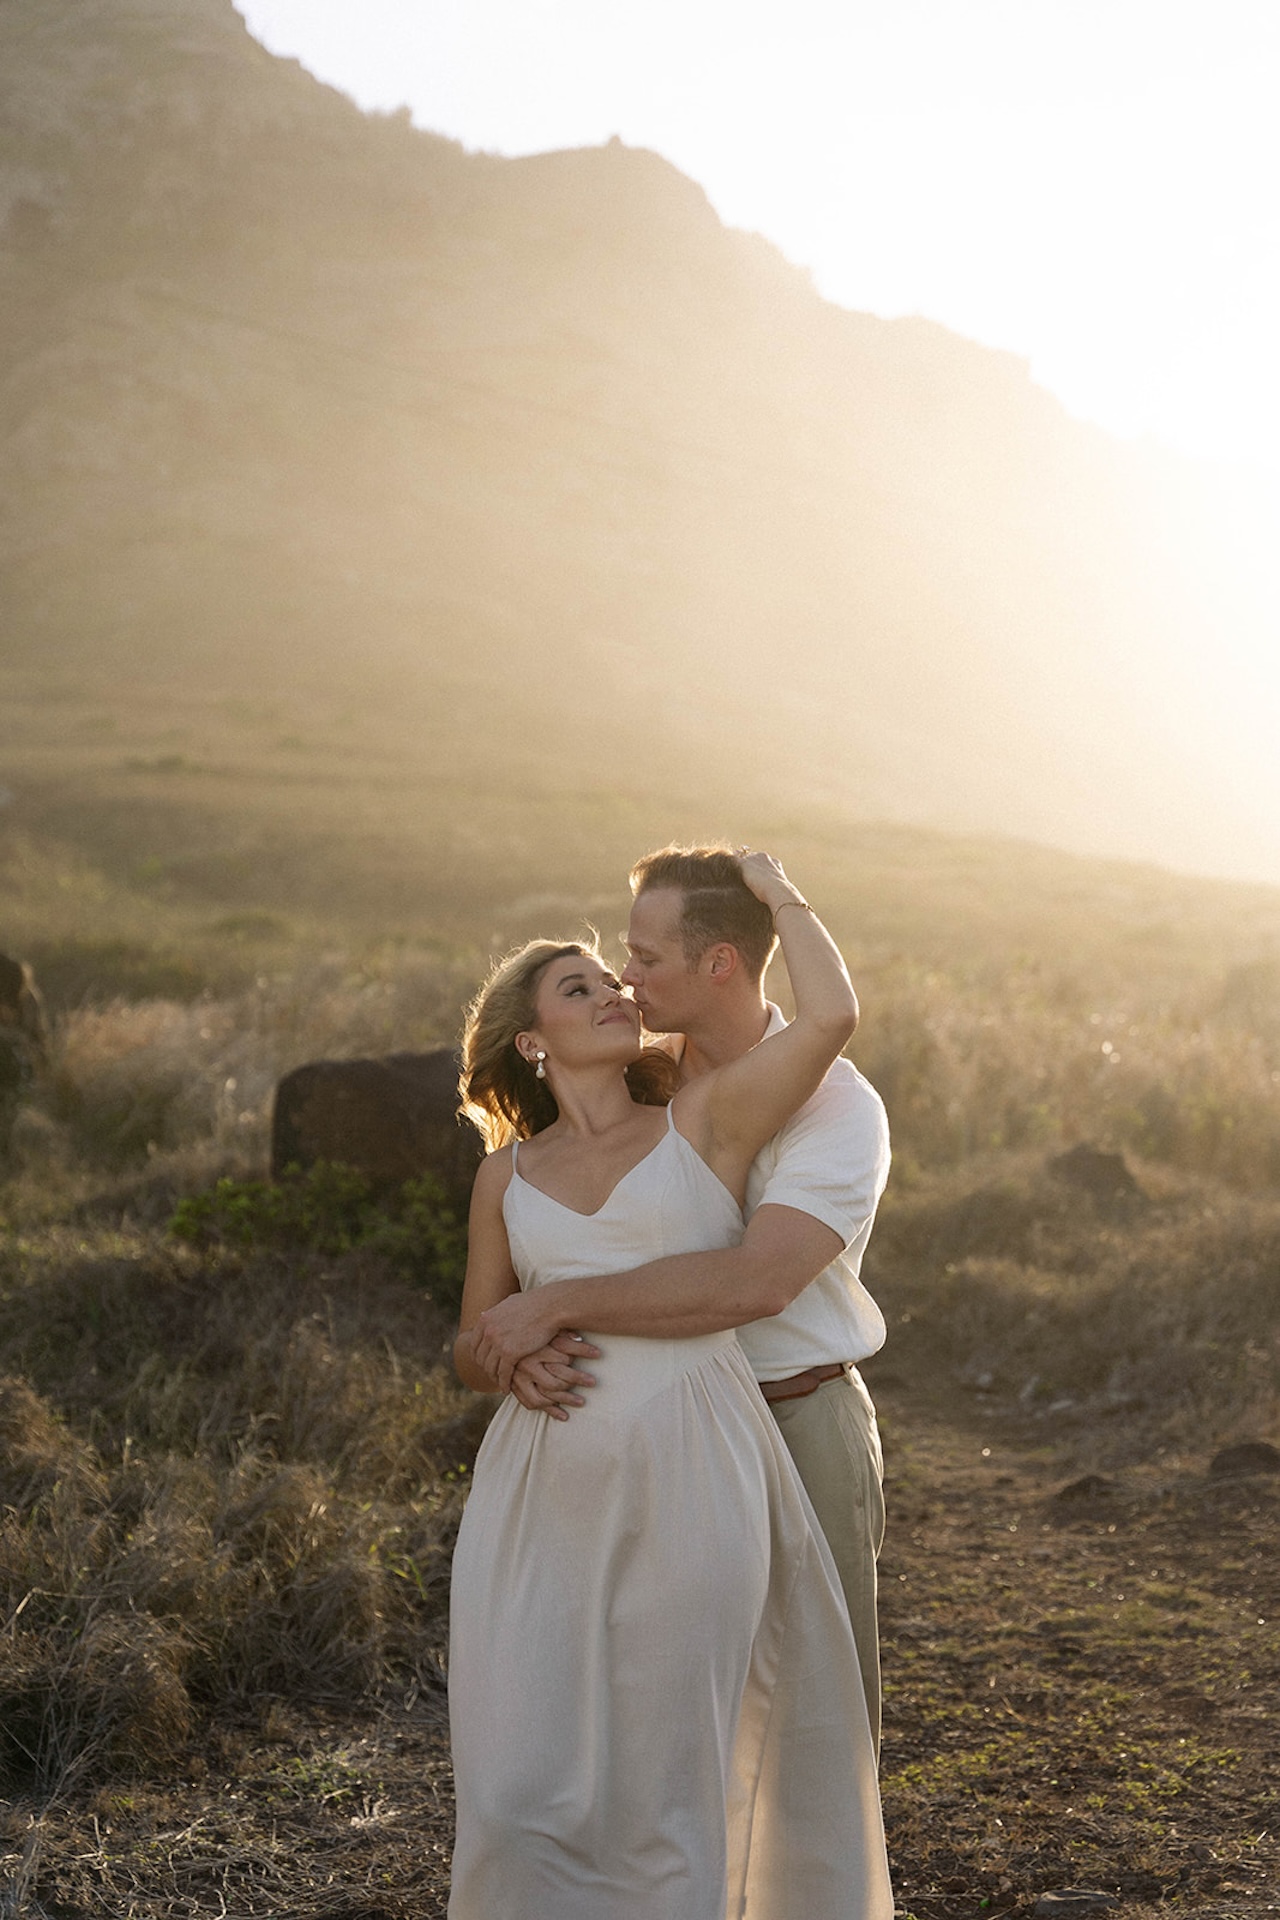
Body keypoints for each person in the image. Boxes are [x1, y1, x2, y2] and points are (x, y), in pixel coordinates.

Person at [448, 852, 892, 1920]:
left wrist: (556, 1308)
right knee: (533, 1762)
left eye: (635, 963)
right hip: (554, 1484)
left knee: (782, 1735)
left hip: (761, 1424)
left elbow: (751, 1278)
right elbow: (473, 1335)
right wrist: (506, 1351)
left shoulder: (747, 1114)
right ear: (530, 1037)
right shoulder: (535, 1154)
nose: (622, 985)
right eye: (595, 979)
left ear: (722, 962)